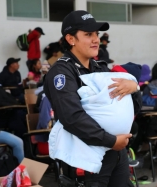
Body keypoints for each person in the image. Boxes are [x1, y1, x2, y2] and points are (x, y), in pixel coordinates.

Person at [44, 10, 142, 187]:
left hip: (116, 152)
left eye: (96, 34)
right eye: (88, 34)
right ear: (70, 39)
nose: (96, 39)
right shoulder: (62, 72)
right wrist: (111, 141)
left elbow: (130, 108)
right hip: (86, 157)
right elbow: (71, 117)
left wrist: (134, 88)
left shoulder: (100, 69)